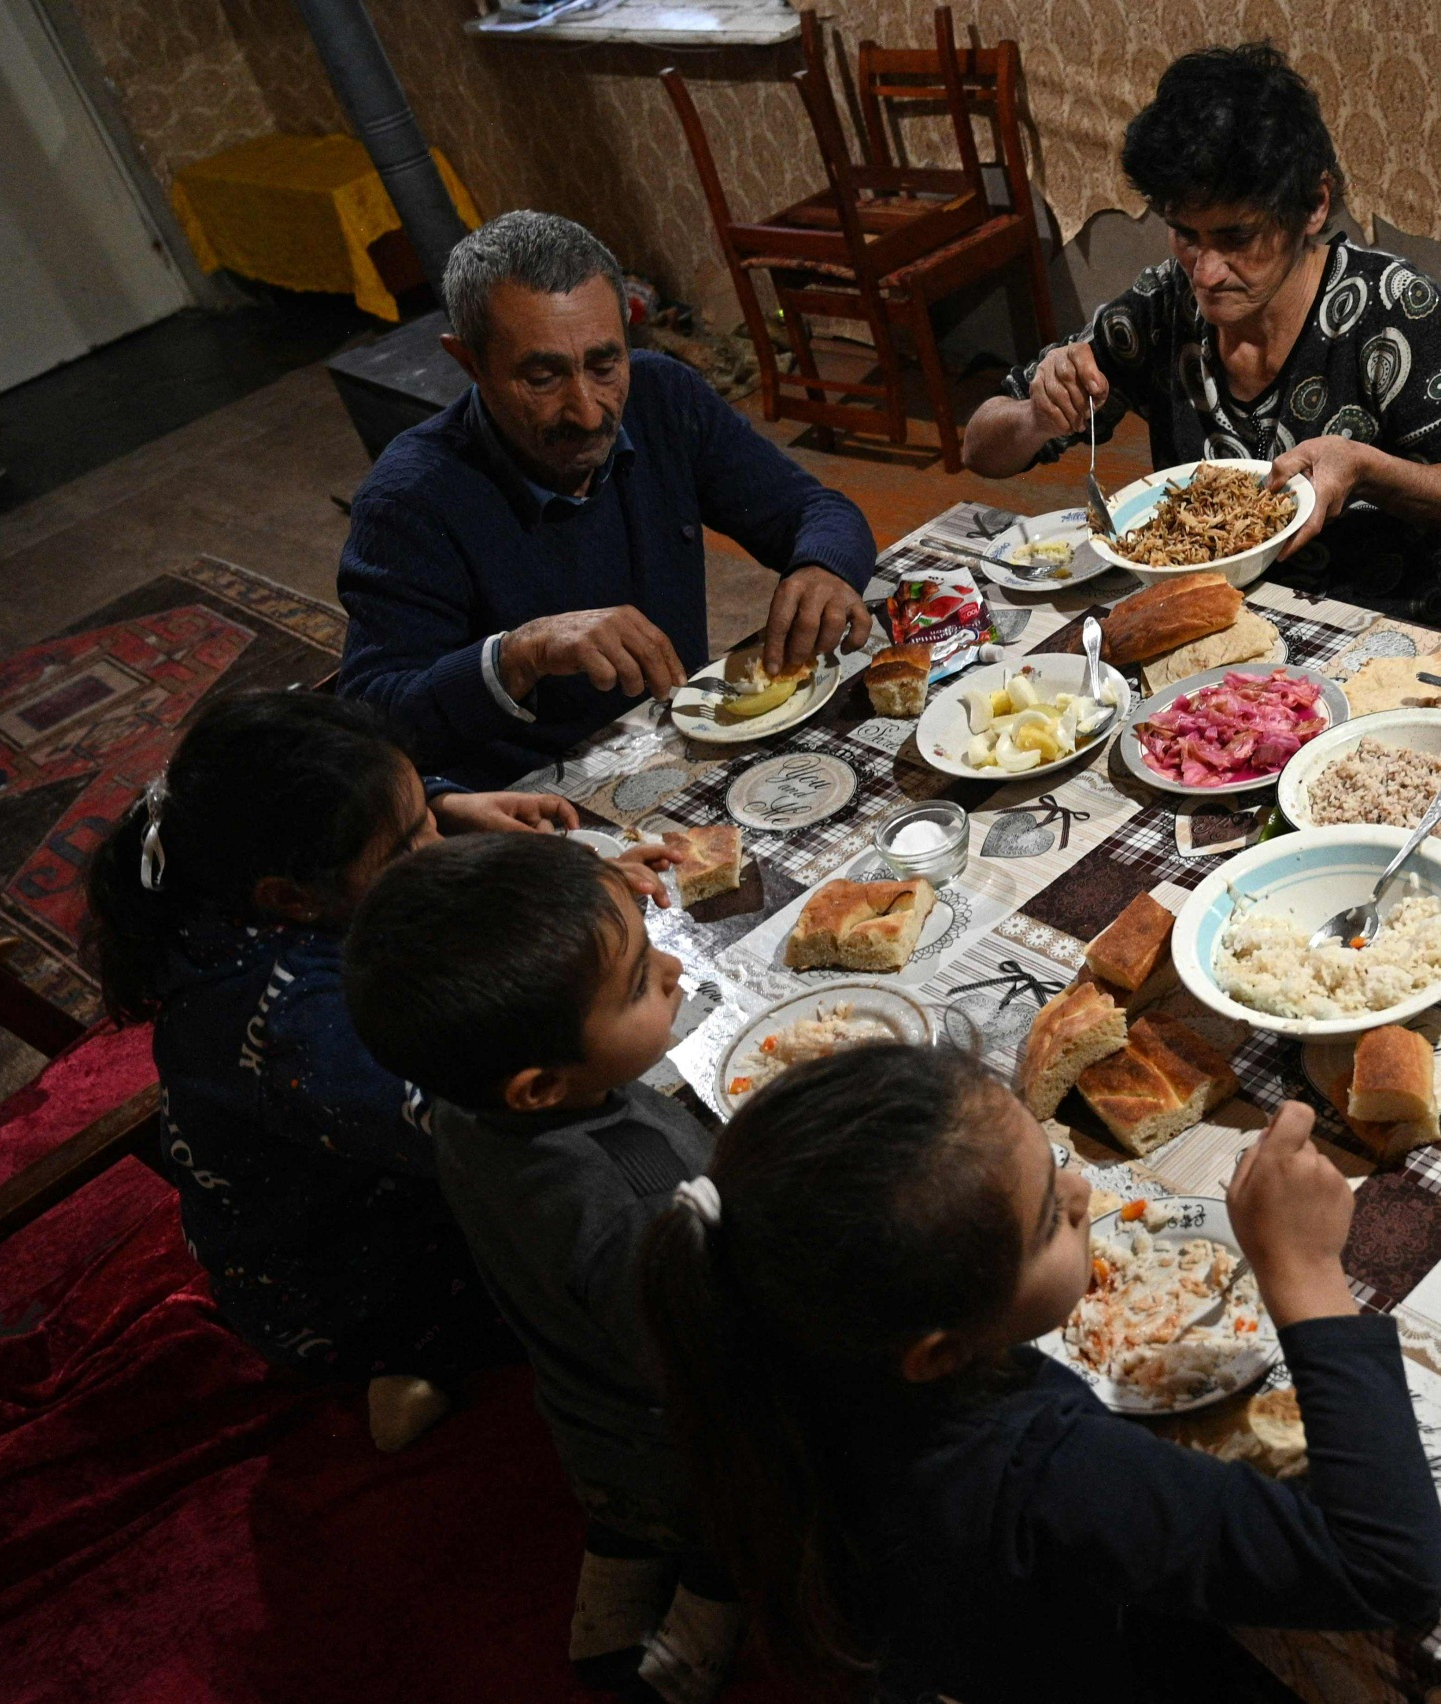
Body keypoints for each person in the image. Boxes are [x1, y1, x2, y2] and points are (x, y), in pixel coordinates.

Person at [636, 1045, 1441, 1704]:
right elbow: (1396, 1569)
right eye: (1048, 1219)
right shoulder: (1044, 1477)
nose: (1080, 1185)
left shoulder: (771, 1346)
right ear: (939, 1352)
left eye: (1049, 1159)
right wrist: (1306, 1272)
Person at [80, 691, 675, 1453]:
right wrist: (581, 943)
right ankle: (401, 1365)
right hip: (346, 1282)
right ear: (291, 897)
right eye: (406, 845)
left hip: (338, 1177)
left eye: (426, 812)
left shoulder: (233, 865)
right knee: (600, 1248)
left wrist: (448, 813)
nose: (438, 842)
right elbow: (503, 1120)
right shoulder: (312, 1033)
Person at [344, 833, 742, 1704]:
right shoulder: (641, 1208)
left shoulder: (463, 1110)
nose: (673, 969)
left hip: (578, 1400)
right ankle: (703, 1615)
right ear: (538, 1086)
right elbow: (720, 1372)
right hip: (683, 1435)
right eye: (639, 982)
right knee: (737, 1520)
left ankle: (622, 1552)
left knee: (629, 1506)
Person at [960, 43, 1441, 631]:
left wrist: (1364, 468)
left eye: (1237, 237)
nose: (1205, 272)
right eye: (1185, 234)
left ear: (1313, 204)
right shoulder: (1163, 305)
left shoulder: (1391, 310)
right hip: (1211, 624)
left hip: (1376, 626)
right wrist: (1040, 416)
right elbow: (980, 449)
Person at [337, 210, 880, 788]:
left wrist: (822, 565)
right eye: (543, 378)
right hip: (536, 804)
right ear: (469, 362)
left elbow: (816, 510)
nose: (589, 411)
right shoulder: (410, 498)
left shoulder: (662, 398)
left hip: (678, 746)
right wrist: (519, 655)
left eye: (604, 364)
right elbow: (372, 728)